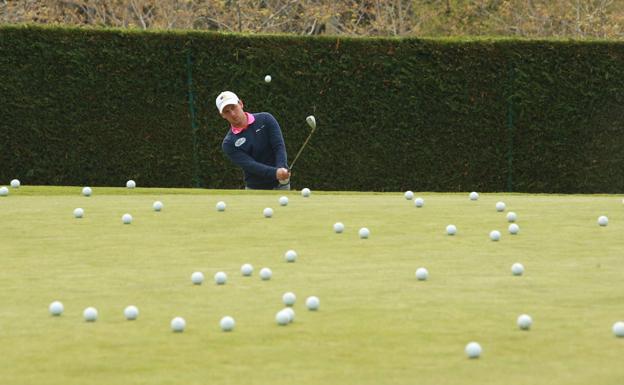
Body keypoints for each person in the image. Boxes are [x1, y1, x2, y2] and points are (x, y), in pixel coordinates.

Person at [217, 91, 291, 190]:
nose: (233, 114)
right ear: (222, 115)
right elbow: (250, 165)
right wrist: (276, 173)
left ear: (241, 104)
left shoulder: (266, 119)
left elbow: (279, 147)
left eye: (233, 107)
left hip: (281, 184)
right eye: (227, 111)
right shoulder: (229, 143)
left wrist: (282, 168)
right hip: (255, 189)